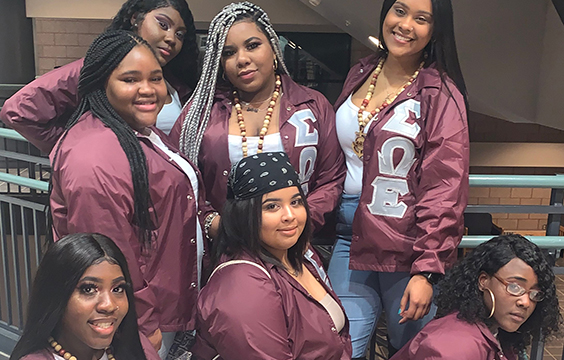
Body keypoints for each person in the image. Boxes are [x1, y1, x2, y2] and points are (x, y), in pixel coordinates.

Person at [48, 30, 214, 359]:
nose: (149, 89)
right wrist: (143, 323)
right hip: (137, 321)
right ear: (100, 84)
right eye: (130, 79)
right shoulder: (95, 160)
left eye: (156, 78)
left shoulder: (135, 131)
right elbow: (108, 258)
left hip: (164, 305)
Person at [327, 0, 470, 357]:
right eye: (400, 11)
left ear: (435, 30)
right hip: (349, 235)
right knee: (341, 346)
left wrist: (427, 270)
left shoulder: (440, 94)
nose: (406, 25)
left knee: (411, 351)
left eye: (421, 19)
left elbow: (444, 188)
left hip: (407, 245)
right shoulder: (360, 72)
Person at [171, 2, 346, 234]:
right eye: (229, 52)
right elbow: (179, 182)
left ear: (274, 48)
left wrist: (300, 225)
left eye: (252, 45)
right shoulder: (200, 113)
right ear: (220, 63)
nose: (242, 59)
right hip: (225, 251)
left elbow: (330, 179)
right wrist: (217, 226)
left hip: (295, 248)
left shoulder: (313, 105)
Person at [193, 152, 352, 360]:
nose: (289, 216)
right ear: (244, 214)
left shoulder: (301, 255)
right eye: (272, 207)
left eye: (295, 202)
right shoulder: (244, 287)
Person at [0, 0, 198, 152]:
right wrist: (76, 147)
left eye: (180, 34)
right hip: (118, 188)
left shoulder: (176, 85)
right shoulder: (100, 68)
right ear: (135, 18)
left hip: (168, 192)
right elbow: (18, 110)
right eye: (163, 25)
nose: (171, 38)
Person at [392, 234, 562, 359]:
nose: (525, 302)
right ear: (483, 281)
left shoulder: (497, 330)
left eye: (534, 293)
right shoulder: (452, 349)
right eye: (514, 287)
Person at [10, 233, 159, 360]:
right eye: (88, 289)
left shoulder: (138, 348)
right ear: (56, 298)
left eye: (118, 288)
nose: (109, 305)